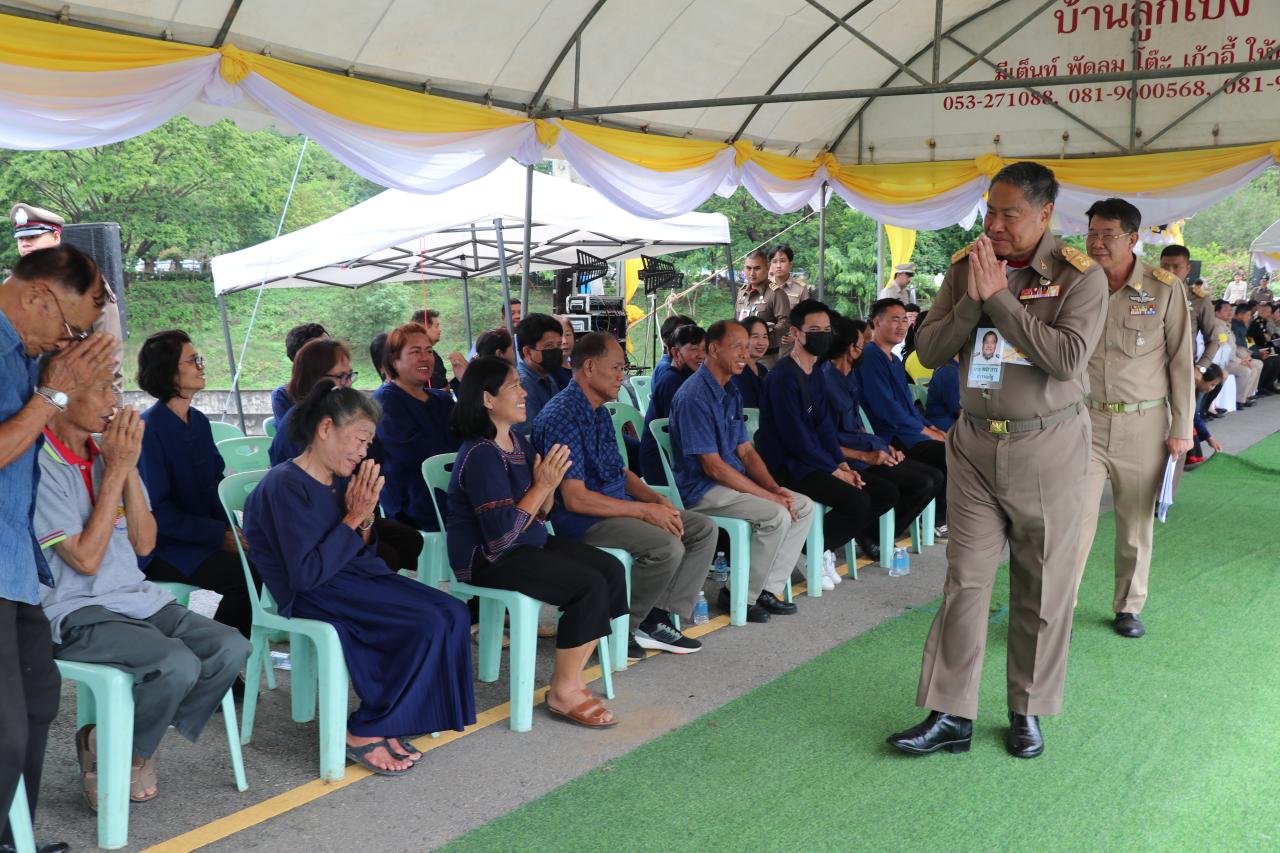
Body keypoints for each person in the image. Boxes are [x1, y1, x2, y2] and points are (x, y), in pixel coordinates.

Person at [888, 161, 1107, 759]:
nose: (996, 223)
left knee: (1041, 583)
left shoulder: (1080, 277)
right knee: (966, 582)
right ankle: (950, 713)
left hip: (1049, 446)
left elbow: (1066, 359)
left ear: (1044, 215)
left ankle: (1027, 709)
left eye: (1010, 213)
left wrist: (1001, 300)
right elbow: (928, 351)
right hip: (976, 444)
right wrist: (970, 301)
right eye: (990, 210)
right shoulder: (966, 267)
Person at [36, 370, 250, 806]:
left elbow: (145, 542)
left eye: (115, 388)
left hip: (137, 598)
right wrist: (116, 468)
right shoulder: (42, 465)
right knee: (176, 664)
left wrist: (127, 466)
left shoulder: (108, 453)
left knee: (230, 647)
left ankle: (120, 747)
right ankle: (133, 749)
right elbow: (84, 559)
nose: (113, 400)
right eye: (100, 389)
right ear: (62, 398)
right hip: (75, 610)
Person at [245, 382, 475, 775]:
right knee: (426, 620)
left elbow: (360, 550)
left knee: (452, 611)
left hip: (350, 579)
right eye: (359, 440)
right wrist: (354, 517)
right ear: (325, 429)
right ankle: (364, 729)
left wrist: (365, 517)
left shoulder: (337, 480)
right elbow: (305, 574)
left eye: (368, 443)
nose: (363, 451)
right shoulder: (284, 485)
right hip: (313, 592)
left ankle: (392, 719)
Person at [446, 357, 628, 727]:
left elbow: (539, 512)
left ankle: (573, 677)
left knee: (608, 569)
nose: (523, 391)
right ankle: (563, 691)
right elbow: (498, 539)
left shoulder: (515, 441)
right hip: (488, 558)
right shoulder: (481, 454)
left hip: (524, 544)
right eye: (514, 385)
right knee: (586, 584)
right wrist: (543, 485)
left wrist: (549, 482)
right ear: (487, 399)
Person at [0, 245, 109, 853]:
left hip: (14, 563)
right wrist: (54, 395)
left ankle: (14, 841)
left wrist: (58, 386)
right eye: (72, 327)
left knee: (39, 706)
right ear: (38, 294)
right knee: (4, 733)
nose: (68, 341)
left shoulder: (23, 354)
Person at [531, 332, 714, 658]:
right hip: (582, 521)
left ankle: (655, 616)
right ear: (589, 367)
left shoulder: (598, 409)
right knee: (666, 546)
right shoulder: (562, 415)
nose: (622, 376)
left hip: (615, 507)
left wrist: (654, 500)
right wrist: (644, 512)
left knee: (702, 529)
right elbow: (576, 499)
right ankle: (620, 628)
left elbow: (620, 472)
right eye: (616, 368)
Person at [1071, 198, 1194, 641]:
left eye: (1108, 235)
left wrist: (1182, 428)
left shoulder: (1163, 288)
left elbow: (1181, 361)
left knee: (1135, 524)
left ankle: (1127, 606)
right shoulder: (1076, 281)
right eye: (1092, 234)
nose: (1098, 243)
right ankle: (1060, 608)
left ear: (1133, 238)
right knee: (1072, 523)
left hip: (1144, 424)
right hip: (1083, 422)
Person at [669, 321, 816, 624]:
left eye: (747, 348)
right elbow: (712, 466)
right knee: (775, 514)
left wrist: (775, 490)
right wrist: (767, 497)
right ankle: (740, 595)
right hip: (701, 491)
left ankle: (767, 588)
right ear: (713, 348)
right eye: (737, 346)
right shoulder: (694, 395)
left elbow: (746, 452)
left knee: (802, 505)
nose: (745, 354)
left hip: (728, 485)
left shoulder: (730, 391)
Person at [136, 330, 257, 640]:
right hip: (165, 547)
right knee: (247, 576)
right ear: (168, 371)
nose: (201, 365)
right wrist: (219, 536)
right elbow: (158, 513)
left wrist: (235, 532)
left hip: (203, 536)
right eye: (193, 360)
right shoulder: (149, 429)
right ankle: (222, 665)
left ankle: (224, 657)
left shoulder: (199, 422)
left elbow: (214, 486)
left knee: (267, 561)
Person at [756, 305, 894, 570]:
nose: (823, 336)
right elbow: (796, 438)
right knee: (857, 500)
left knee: (883, 492)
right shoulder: (782, 377)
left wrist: (841, 465)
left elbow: (825, 427)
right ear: (796, 332)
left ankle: (819, 545)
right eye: (815, 331)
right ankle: (808, 550)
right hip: (789, 465)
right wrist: (833, 470)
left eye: (827, 331)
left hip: (815, 459)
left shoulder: (815, 372)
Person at [270, 338, 424, 575]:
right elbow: (314, 495)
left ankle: (371, 587)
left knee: (410, 540)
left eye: (350, 375)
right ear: (315, 379)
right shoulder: (301, 424)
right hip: (316, 524)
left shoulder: (337, 415)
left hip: (340, 512)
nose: (348, 383)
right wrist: (356, 517)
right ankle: (356, 593)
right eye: (341, 377)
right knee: (385, 555)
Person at [823, 315, 943, 569]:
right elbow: (828, 436)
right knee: (911, 483)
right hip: (849, 456)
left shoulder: (847, 379)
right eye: (861, 343)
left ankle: (877, 533)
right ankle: (863, 535)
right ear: (849, 349)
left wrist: (883, 446)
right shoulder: (826, 381)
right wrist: (866, 455)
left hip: (867, 448)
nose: (865, 348)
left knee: (931, 477)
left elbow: (858, 427)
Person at [11, 203, 126, 400]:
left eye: (33, 237)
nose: (25, 244)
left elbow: (109, 354)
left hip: (75, 403)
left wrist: (113, 408)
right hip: (24, 403)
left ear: (56, 237)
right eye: (21, 238)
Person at [859, 298, 949, 535]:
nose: (901, 326)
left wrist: (931, 427)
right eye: (894, 320)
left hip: (910, 432)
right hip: (892, 436)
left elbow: (908, 405)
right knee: (950, 459)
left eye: (904, 320)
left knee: (956, 451)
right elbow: (886, 409)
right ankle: (935, 520)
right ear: (876, 323)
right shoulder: (870, 356)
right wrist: (925, 432)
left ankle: (936, 517)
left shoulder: (895, 360)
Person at [372, 323, 460, 534]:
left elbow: (472, 437)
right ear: (394, 360)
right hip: (414, 504)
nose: (425, 358)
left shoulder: (442, 400)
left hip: (454, 492)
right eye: (415, 352)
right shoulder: (384, 402)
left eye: (429, 351)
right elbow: (419, 455)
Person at [639, 324, 705, 485]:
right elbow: (681, 435)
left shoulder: (689, 379)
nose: (701, 355)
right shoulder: (672, 381)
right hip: (663, 464)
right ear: (676, 353)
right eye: (694, 349)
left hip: (680, 460)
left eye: (705, 349)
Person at [1160, 247, 1222, 373]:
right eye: (1165, 266)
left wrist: (1200, 367)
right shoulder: (1148, 295)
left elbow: (1213, 339)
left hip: (1183, 367)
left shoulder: (1200, 300)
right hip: (1151, 367)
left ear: (1188, 268)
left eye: (1177, 267)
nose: (1170, 271)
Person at [734, 249, 791, 368]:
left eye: (757, 268)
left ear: (767, 268)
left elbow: (785, 324)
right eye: (748, 268)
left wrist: (762, 336)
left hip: (766, 358)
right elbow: (736, 320)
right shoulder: (741, 292)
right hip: (742, 355)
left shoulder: (776, 293)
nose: (752, 273)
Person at [515, 313, 565, 433]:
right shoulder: (522, 384)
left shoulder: (546, 377)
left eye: (559, 345)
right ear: (527, 351)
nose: (556, 351)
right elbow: (528, 434)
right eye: (548, 346)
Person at [271, 323, 329, 421]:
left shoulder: (339, 385)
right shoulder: (282, 396)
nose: (333, 353)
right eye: (323, 350)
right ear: (301, 358)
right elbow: (293, 435)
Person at [1232, 303, 1280, 393]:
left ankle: (1269, 384)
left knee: (1276, 357)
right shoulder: (1252, 324)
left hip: (1257, 349)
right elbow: (1242, 345)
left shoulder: (1247, 326)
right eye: (1249, 315)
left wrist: (1258, 351)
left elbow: (1250, 343)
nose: (1250, 317)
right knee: (1270, 360)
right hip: (1248, 352)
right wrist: (1258, 352)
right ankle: (1261, 387)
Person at [730, 315, 770, 408]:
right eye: (755, 336)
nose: (761, 342)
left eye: (765, 337)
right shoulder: (737, 371)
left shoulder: (762, 369)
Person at [409, 308, 450, 388]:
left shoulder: (432, 355)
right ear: (424, 327)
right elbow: (441, 388)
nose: (440, 330)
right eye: (437, 326)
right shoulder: (428, 357)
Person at [551, 315, 576, 389]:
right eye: (559, 335)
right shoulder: (550, 373)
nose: (565, 341)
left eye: (568, 335)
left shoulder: (576, 366)